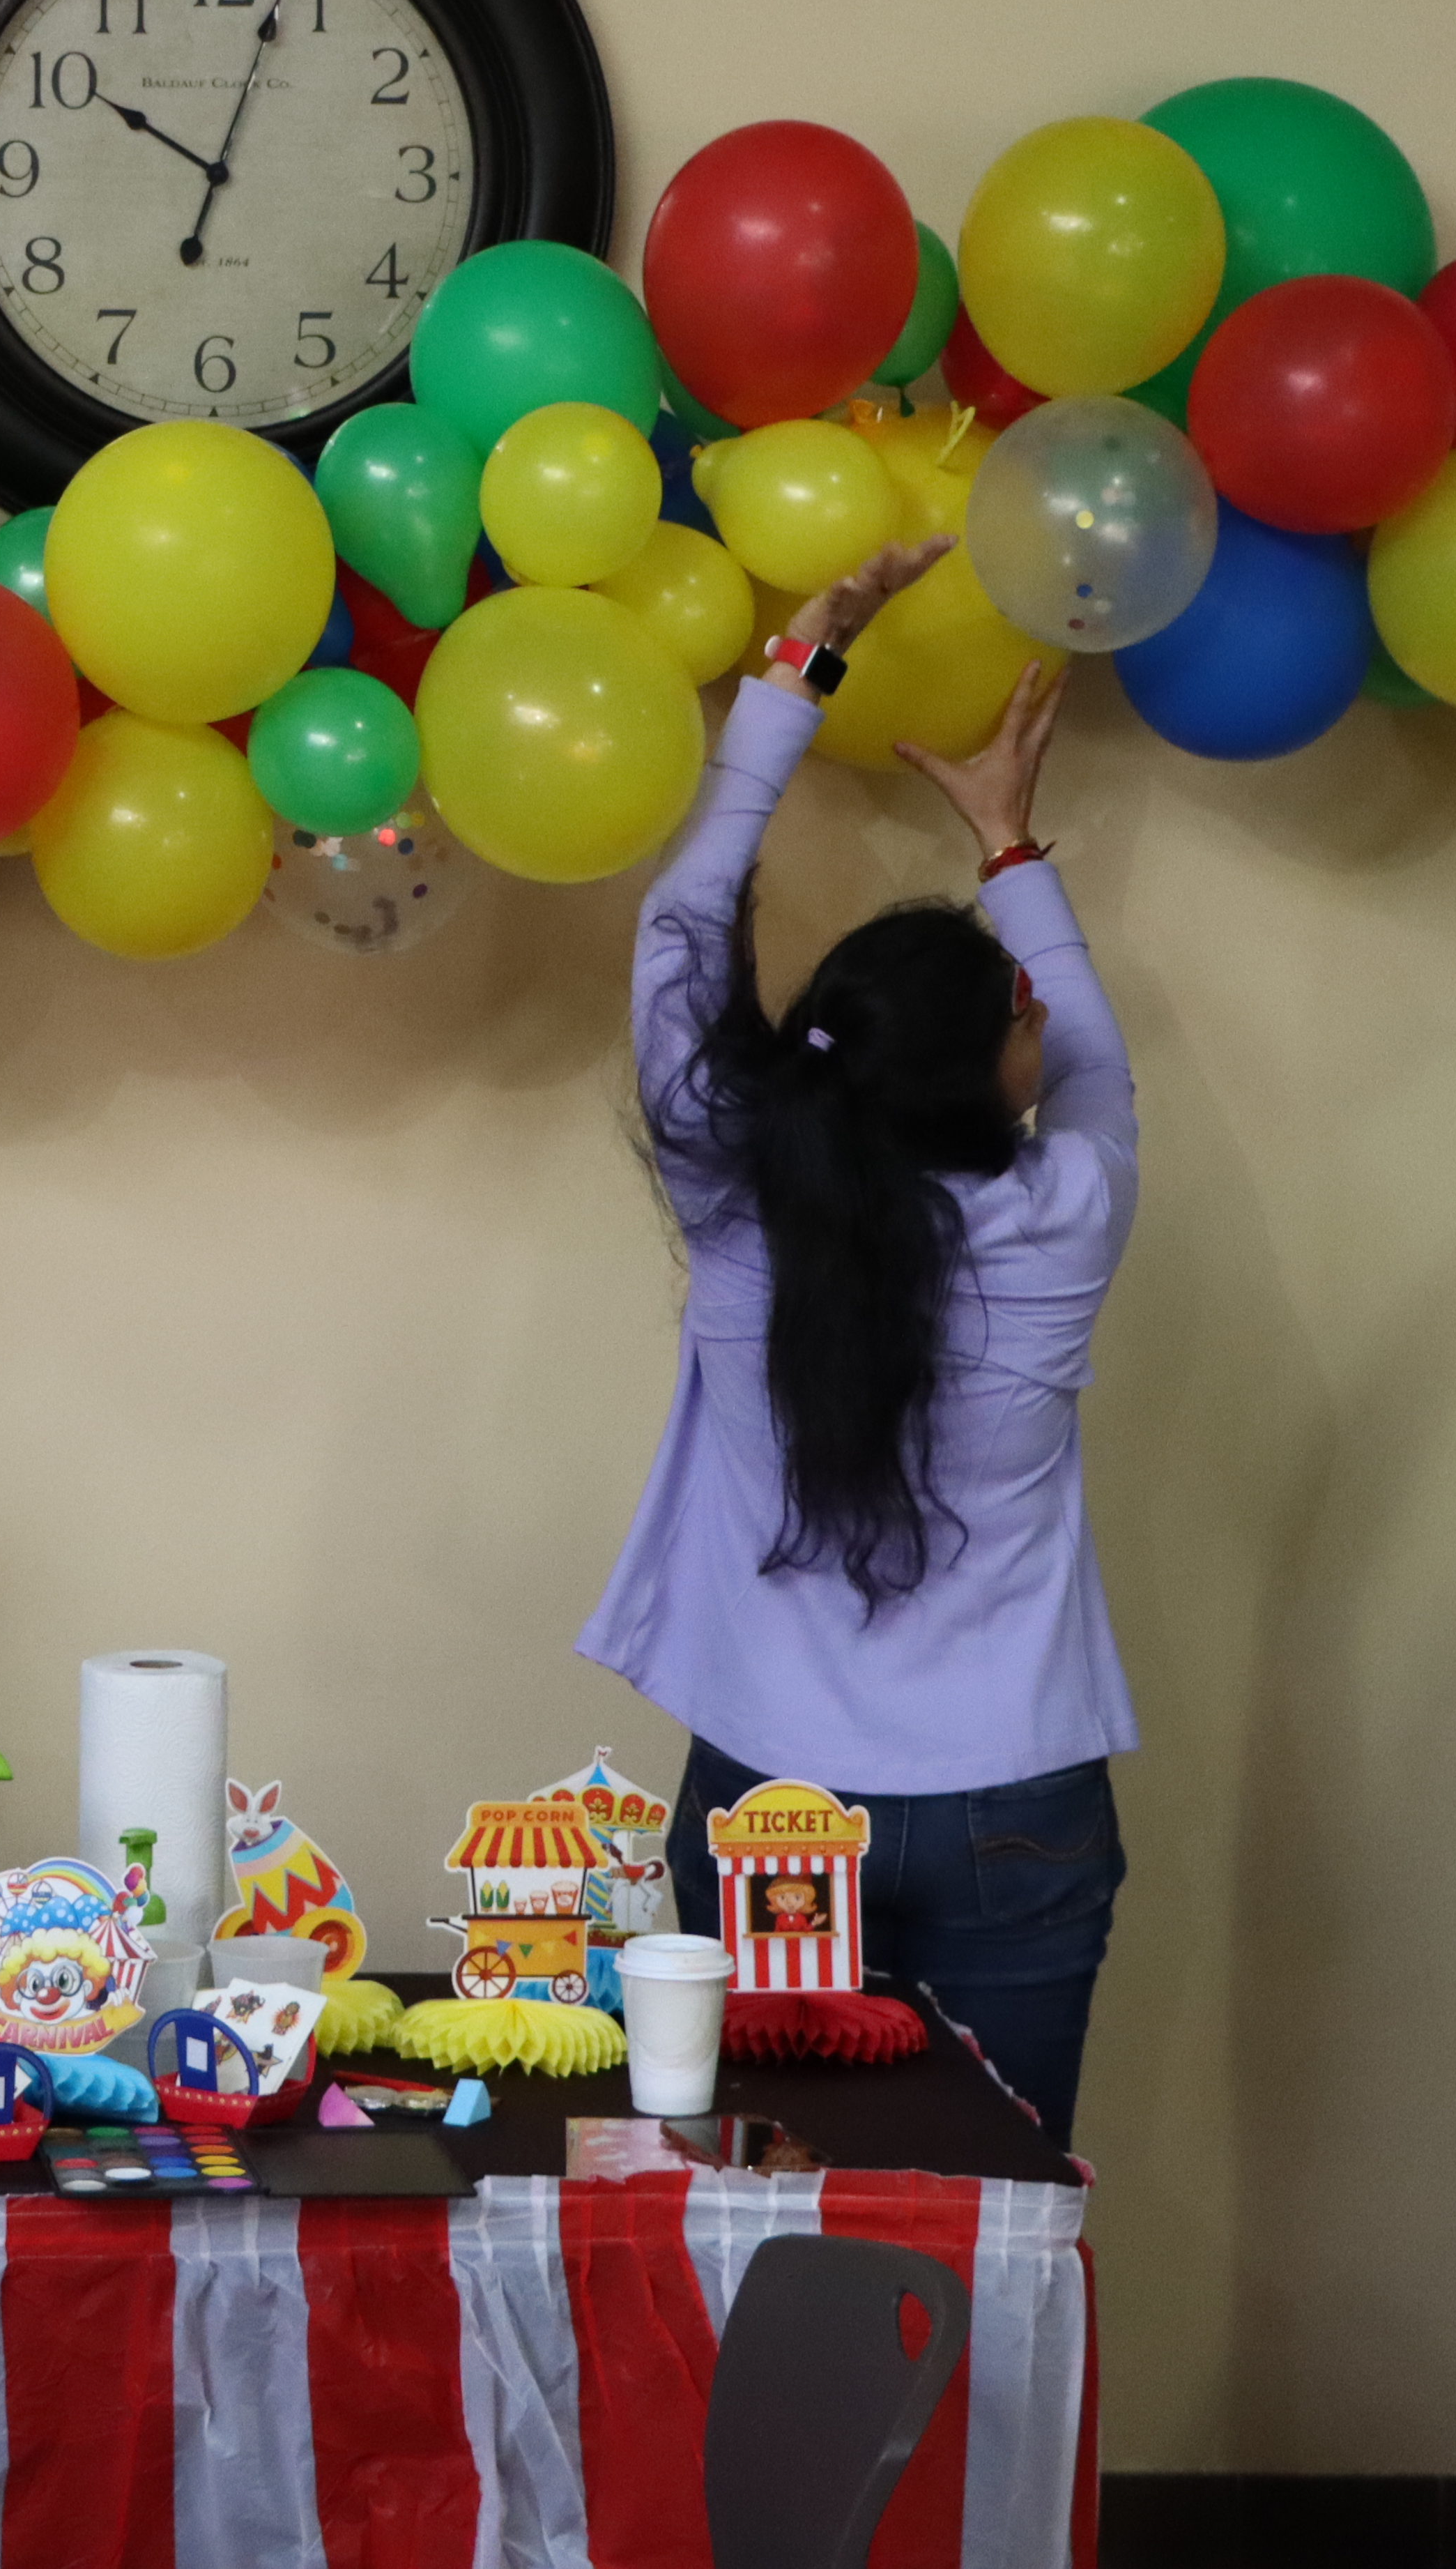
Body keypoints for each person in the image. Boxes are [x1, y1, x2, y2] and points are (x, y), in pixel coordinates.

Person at [577, 535, 1141, 2139]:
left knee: (758, 2228)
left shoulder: (739, 1204)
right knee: (999, 2232)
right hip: (1014, 1802)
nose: (1041, 1013)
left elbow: (684, 922)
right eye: (1017, 1009)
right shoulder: (1070, 1211)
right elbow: (1091, 1047)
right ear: (998, 1070)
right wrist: (1007, 838)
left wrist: (798, 668)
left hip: (769, 1793)